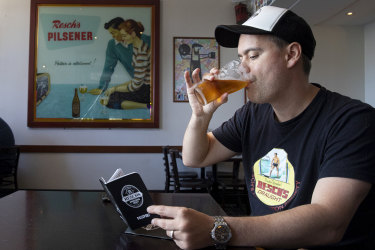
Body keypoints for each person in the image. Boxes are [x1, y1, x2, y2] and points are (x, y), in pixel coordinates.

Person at [147, 6, 375, 250]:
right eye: (240, 58)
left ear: (292, 55)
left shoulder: (353, 121)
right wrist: (200, 116)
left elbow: (329, 222)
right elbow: (195, 157)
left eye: (253, 56)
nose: (243, 69)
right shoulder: (253, 114)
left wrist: (218, 228)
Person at [88, 17, 150, 95]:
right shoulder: (112, 45)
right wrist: (101, 88)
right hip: (136, 83)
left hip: (149, 84)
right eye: (111, 33)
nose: (112, 36)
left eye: (114, 32)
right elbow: (108, 67)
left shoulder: (144, 40)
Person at [103, 19, 151, 110]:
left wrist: (115, 89)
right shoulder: (137, 47)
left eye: (124, 36)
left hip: (146, 90)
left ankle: (147, 105)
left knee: (112, 100)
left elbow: (136, 85)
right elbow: (137, 78)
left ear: (133, 34)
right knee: (113, 95)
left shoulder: (142, 53)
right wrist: (115, 88)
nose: (123, 39)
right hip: (142, 85)